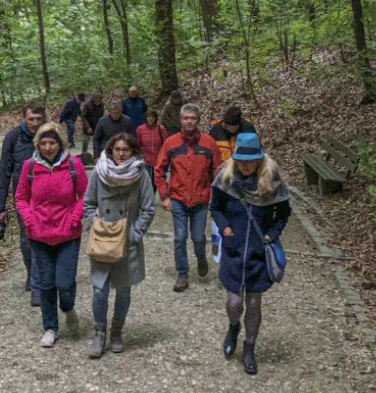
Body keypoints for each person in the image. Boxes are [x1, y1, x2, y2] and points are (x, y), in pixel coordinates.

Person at [209, 133, 291, 375]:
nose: (245, 165)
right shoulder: (225, 178)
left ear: (259, 159)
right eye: (241, 161)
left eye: (250, 161)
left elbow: (283, 213)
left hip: (258, 252)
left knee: (254, 304)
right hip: (233, 250)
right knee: (234, 303)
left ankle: (249, 347)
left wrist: (271, 235)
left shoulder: (272, 180)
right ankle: (233, 326)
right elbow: (215, 207)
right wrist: (225, 228)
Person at [83, 133, 156, 359]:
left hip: (127, 240)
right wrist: (94, 225)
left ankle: (117, 331)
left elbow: (149, 208)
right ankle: (99, 332)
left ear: (132, 152)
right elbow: (88, 203)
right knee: (99, 290)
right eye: (117, 149)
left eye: (125, 150)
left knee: (124, 289)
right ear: (111, 150)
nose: (121, 154)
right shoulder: (99, 171)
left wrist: (135, 233)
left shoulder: (140, 174)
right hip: (102, 238)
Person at [15, 122, 88, 348]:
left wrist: (74, 218)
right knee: (46, 284)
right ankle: (50, 327)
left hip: (68, 235)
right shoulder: (29, 166)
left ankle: (68, 307)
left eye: (52, 143)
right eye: (43, 143)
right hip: (39, 236)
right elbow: (21, 198)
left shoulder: (73, 164)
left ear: (60, 143)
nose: (48, 147)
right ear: (37, 144)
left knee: (64, 283)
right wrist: (30, 220)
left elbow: (86, 195)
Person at [154, 103, 222, 292]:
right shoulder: (171, 143)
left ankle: (201, 257)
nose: (189, 121)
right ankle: (182, 273)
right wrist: (164, 196)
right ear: (181, 120)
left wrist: (218, 198)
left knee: (198, 237)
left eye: (193, 118)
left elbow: (218, 172)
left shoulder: (209, 143)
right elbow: (159, 170)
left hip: (201, 199)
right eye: (186, 118)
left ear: (198, 120)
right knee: (180, 237)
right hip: (178, 198)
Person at [0, 102, 45, 307]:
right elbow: (4, 171)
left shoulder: (49, 135)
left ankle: (41, 279)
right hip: (23, 198)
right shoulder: (13, 138)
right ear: (24, 118)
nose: (35, 123)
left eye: (38, 119)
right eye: (31, 119)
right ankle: (33, 275)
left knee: (45, 237)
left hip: (47, 197)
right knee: (27, 238)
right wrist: (0, 206)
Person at [208, 105, 258, 262]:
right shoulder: (215, 130)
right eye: (228, 126)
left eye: (234, 127)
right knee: (218, 211)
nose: (231, 129)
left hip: (243, 179)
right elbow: (209, 155)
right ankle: (218, 250)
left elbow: (257, 154)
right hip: (220, 179)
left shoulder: (248, 129)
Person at [135, 110, 168, 181]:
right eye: (149, 116)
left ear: (155, 118)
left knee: (159, 182)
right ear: (146, 118)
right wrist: (141, 155)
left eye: (152, 117)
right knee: (148, 182)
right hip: (146, 161)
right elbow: (137, 144)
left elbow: (166, 144)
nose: (150, 118)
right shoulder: (140, 129)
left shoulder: (161, 128)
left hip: (159, 161)